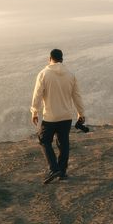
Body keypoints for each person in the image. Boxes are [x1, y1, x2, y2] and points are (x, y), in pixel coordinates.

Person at [30, 48, 85, 184]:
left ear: (50, 59)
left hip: (50, 117)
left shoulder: (43, 74)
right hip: (66, 116)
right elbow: (77, 96)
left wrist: (34, 111)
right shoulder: (71, 75)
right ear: (62, 59)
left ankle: (54, 169)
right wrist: (81, 113)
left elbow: (37, 95)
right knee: (63, 143)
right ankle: (62, 172)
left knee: (44, 140)